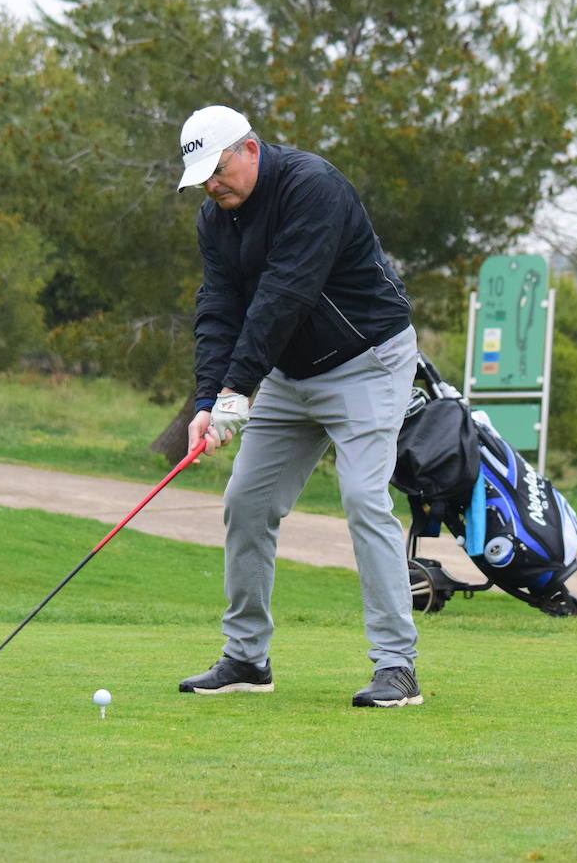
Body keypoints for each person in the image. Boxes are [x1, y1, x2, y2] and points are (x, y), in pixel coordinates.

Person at [173, 105, 423, 707]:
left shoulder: (313, 188)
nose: (212, 185)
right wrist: (209, 399)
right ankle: (245, 658)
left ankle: (397, 666)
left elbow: (286, 293)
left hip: (369, 360)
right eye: (202, 177)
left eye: (219, 169)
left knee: (364, 498)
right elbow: (219, 309)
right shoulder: (216, 220)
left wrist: (238, 390)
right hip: (291, 372)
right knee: (246, 501)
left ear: (250, 149)